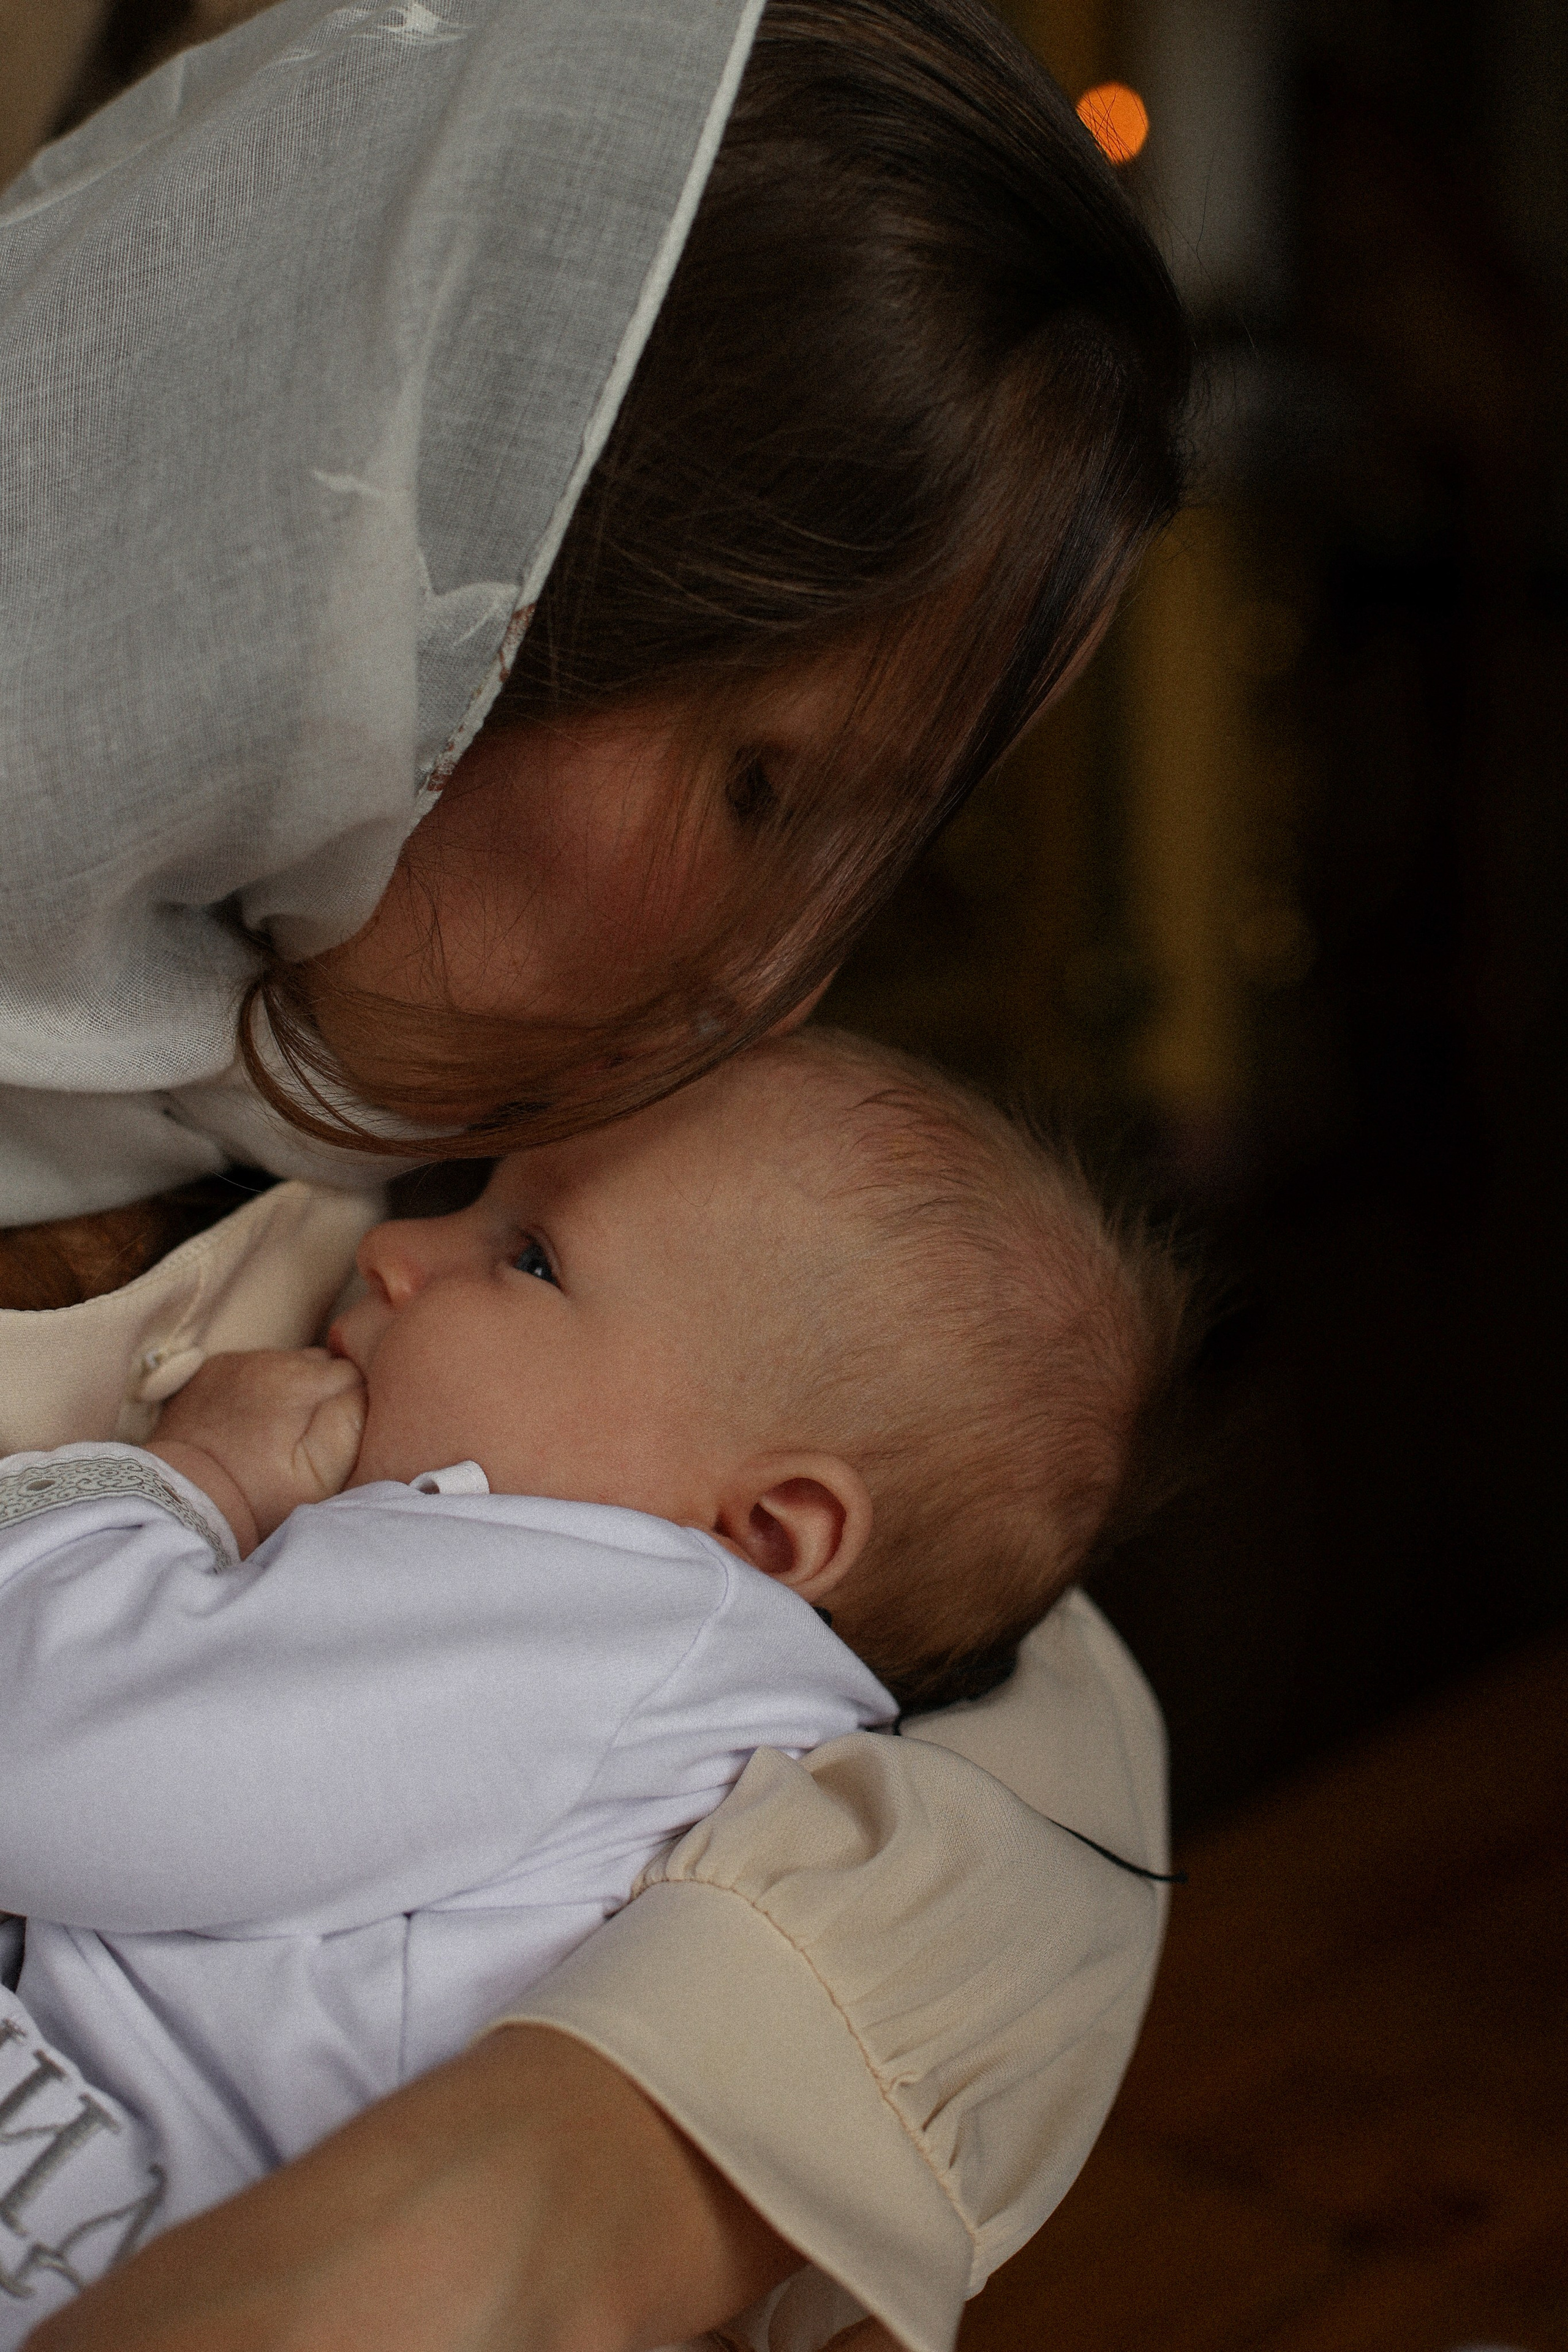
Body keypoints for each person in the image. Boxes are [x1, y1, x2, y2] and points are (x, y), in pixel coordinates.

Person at [0, 2, 1193, 2345]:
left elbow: (1034, 1715)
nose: (774, 975)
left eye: (874, 836)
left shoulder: (425, 1147)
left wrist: (574, 2163)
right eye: (762, 792)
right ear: (408, 580)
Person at [0, 1033, 1185, 2350]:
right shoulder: (669, 1669)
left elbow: (54, 1756)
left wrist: (190, 1484)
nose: (400, 1249)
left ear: (763, 1530)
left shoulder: (607, 1617)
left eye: (530, 1260)